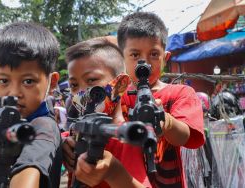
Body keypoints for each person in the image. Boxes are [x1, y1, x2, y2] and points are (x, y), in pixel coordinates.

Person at [75, 12, 205, 188]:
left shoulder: (180, 93)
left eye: (153, 54)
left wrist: (166, 121)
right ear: (121, 58)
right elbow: (85, 115)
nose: (144, 63)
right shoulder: (115, 94)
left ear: (165, 58)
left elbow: (186, 137)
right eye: (135, 55)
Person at [0, 21, 62, 188]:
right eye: (4, 80)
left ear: (53, 81)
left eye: (28, 81)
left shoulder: (43, 127)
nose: (14, 92)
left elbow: (27, 175)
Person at [62, 37, 144, 188]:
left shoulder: (128, 138)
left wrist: (114, 173)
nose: (81, 92)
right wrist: (62, 145)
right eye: (74, 85)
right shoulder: (74, 134)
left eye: (91, 80)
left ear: (120, 85)